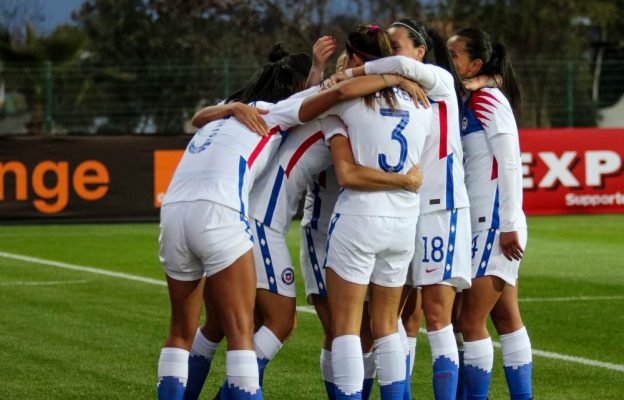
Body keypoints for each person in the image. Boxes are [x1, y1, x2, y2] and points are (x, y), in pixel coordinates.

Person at [156, 43, 423, 400]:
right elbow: (335, 94)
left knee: (213, 324)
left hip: (187, 210)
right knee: (275, 323)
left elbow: (202, 115)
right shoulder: (328, 111)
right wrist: (397, 78)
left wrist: (321, 70)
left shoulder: (241, 111)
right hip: (257, 220)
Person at [330, 19, 472, 400]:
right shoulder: (394, 93)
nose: (392, 56)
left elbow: (403, 71)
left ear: (421, 51)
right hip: (406, 209)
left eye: (397, 47)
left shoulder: (437, 80)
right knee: (400, 318)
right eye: (386, 48)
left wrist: (354, 72)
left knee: (437, 316)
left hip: (439, 205)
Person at [321, 24, 432, 400]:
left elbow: (347, 174)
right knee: (387, 325)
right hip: (403, 223)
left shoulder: (343, 100)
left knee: (347, 327)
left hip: (360, 218)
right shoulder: (422, 101)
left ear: (354, 59)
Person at [447, 28, 532, 400]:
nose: (449, 62)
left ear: (475, 64)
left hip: (493, 224)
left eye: (455, 56)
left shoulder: (488, 101)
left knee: (468, 320)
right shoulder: (473, 99)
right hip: (484, 222)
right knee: (505, 318)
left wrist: (509, 224)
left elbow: (510, 163)